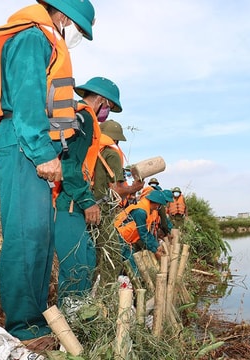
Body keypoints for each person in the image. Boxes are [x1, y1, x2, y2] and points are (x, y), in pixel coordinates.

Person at [0, 0, 95, 352]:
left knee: (41, 238)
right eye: (76, 26)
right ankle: (23, 325)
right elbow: (27, 100)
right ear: (63, 14)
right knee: (26, 235)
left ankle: (31, 317)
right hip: (22, 141)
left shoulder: (41, 37)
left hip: (29, 143)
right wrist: (42, 151)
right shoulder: (33, 37)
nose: (73, 33)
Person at [54, 77, 123, 307]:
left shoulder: (83, 117)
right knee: (75, 269)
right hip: (69, 205)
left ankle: (81, 321)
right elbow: (70, 165)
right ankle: (69, 328)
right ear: (102, 101)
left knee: (87, 261)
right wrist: (87, 201)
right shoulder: (84, 119)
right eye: (109, 108)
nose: (108, 114)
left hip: (75, 204)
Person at [92, 119, 144, 285]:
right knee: (113, 254)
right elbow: (117, 190)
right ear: (116, 139)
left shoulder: (93, 151)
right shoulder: (112, 153)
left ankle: (90, 293)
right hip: (102, 210)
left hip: (89, 206)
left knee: (96, 254)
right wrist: (135, 188)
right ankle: (105, 297)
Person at [115, 190, 167, 275]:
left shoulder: (144, 210)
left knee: (132, 264)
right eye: (159, 206)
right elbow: (143, 234)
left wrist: (156, 245)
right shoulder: (140, 212)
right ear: (156, 204)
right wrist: (155, 250)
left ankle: (135, 281)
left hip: (126, 240)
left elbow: (145, 232)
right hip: (118, 237)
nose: (158, 208)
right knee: (118, 264)